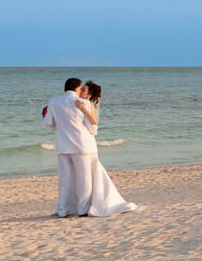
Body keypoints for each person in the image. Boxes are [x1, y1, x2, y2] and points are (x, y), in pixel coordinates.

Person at [76, 80, 139, 217]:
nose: (80, 92)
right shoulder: (82, 103)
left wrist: (83, 109)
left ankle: (96, 202)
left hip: (88, 143)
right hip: (84, 143)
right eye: (80, 89)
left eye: (83, 90)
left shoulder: (90, 105)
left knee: (91, 173)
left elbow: (94, 124)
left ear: (89, 95)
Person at [42, 78, 98, 217]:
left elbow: (48, 123)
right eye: (80, 88)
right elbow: (92, 127)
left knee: (65, 179)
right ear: (77, 88)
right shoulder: (84, 102)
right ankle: (82, 209)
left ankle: (62, 210)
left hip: (62, 144)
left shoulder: (53, 102)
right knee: (84, 178)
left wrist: (62, 125)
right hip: (81, 145)